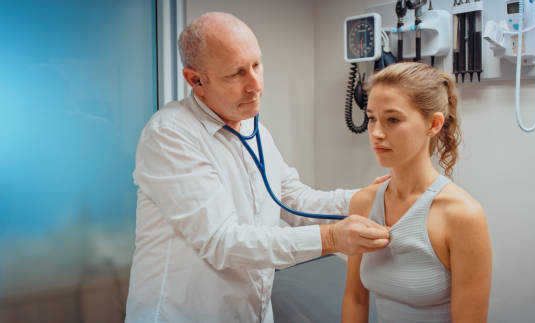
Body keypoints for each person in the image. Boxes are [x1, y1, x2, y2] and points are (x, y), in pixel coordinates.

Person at [125, 12, 390, 323]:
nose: (255, 85)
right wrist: (331, 238)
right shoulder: (170, 135)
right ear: (195, 80)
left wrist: (370, 197)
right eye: (236, 74)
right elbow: (222, 241)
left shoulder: (254, 130)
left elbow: (295, 201)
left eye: (256, 65)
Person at [341, 62, 492, 323]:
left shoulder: (462, 216)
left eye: (392, 120)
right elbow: (355, 298)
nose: (376, 133)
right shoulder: (363, 203)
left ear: (433, 124)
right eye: (372, 118)